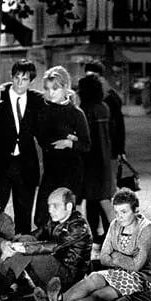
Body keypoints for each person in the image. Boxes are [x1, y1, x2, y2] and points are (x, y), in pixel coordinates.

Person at [39, 188, 151, 301]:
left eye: (124, 212)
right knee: (93, 279)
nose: (119, 217)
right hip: (118, 272)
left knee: (99, 294)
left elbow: (137, 265)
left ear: (136, 211)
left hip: (140, 279)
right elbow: (104, 258)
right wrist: (122, 258)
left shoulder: (146, 229)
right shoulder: (115, 225)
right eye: (116, 212)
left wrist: (116, 256)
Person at [0, 59, 46, 235]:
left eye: (25, 79)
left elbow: (47, 126)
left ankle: (22, 253)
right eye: (16, 78)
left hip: (25, 166)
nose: (20, 83)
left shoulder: (38, 100)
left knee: (24, 214)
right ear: (11, 77)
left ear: (31, 81)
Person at [0, 187, 92, 301]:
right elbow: (36, 235)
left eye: (55, 206)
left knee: (30, 254)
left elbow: (54, 245)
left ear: (68, 206)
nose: (50, 210)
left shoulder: (79, 226)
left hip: (69, 277)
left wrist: (22, 248)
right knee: (25, 240)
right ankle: (4, 281)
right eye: (49, 206)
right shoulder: (56, 220)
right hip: (56, 269)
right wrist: (11, 244)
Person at [33, 66, 91, 230]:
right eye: (47, 89)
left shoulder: (76, 113)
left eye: (55, 89)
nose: (51, 93)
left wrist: (70, 143)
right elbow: (42, 138)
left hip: (71, 172)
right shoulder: (42, 110)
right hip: (51, 171)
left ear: (65, 88)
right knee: (42, 216)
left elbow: (86, 145)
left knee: (66, 219)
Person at [77, 74, 115, 250]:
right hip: (104, 160)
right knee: (104, 200)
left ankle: (99, 235)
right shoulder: (104, 108)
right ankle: (113, 233)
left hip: (90, 161)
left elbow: (85, 138)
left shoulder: (85, 110)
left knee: (93, 201)